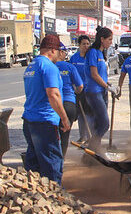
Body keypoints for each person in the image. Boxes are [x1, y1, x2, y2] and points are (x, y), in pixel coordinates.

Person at [22, 34, 70, 184]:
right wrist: (64, 118)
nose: (59, 55)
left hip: (29, 121)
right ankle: (54, 194)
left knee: (34, 164)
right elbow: (53, 94)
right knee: (52, 164)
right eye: (59, 51)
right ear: (52, 50)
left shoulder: (32, 66)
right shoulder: (49, 67)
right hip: (45, 122)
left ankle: (35, 194)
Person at [85, 27, 119, 150]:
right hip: (94, 92)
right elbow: (94, 74)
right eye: (109, 39)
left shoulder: (101, 53)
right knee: (104, 124)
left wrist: (109, 85)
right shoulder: (93, 52)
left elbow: (102, 75)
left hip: (102, 91)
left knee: (98, 123)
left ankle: (95, 149)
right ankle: (92, 146)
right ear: (102, 39)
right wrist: (107, 87)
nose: (111, 42)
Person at [55, 42, 84, 158]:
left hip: (54, 105)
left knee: (53, 135)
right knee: (65, 135)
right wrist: (75, 93)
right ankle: (61, 160)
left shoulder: (49, 67)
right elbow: (80, 86)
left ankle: (54, 159)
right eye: (64, 52)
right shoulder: (70, 67)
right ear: (61, 52)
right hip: (69, 103)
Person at [69, 35, 92, 143]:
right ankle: (82, 136)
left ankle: (90, 136)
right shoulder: (74, 58)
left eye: (87, 44)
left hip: (89, 90)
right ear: (79, 45)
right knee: (80, 114)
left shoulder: (91, 57)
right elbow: (70, 74)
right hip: (78, 90)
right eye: (83, 44)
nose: (86, 46)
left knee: (89, 114)